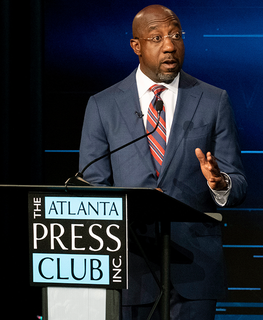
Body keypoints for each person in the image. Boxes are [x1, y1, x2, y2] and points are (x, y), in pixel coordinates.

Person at [78, 4, 247, 319]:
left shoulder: (214, 101)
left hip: (194, 270)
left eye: (176, 35)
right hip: (129, 268)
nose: (170, 45)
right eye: (156, 37)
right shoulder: (103, 106)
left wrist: (219, 182)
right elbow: (92, 189)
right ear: (137, 47)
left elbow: (237, 183)